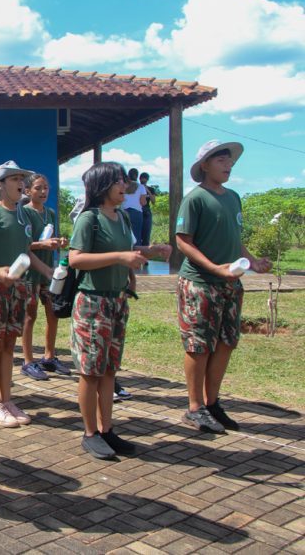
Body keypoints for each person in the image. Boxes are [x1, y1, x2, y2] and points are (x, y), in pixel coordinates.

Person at [68, 162, 170, 460]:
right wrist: (121, 256)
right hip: (92, 302)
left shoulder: (123, 217)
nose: (124, 186)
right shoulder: (89, 219)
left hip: (117, 301)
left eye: (124, 181)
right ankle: (90, 433)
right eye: (117, 181)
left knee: (109, 368)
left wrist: (151, 250)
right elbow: (76, 259)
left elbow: (129, 249)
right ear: (102, 186)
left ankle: (107, 429)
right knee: (90, 370)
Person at [175, 140, 271, 433]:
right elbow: (182, 241)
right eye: (221, 160)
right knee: (198, 346)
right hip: (200, 283)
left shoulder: (233, 198)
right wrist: (215, 268)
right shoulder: (195, 199)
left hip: (230, 284)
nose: (228, 165)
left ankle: (212, 402)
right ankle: (195, 407)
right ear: (205, 165)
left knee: (227, 342)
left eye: (230, 161)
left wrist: (251, 261)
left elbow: (233, 237)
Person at [0, 162, 53, 427]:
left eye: (22, 178)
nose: (20, 182)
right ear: (0, 184)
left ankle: (7, 399)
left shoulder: (24, 216)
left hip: (19, 287)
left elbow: (26, 251)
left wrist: (47, 271)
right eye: (14, 178)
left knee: (9, 343)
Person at [21, 173, 69, 379]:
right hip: (31, 272)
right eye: (38, 188)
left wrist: (59, 242)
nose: (43, 192)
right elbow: (21, 244)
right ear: (28, 191)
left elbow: (49, 238)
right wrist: (42, 245)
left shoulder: (50, 213)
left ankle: (49, 356)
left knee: (53, 312)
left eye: (46, 188)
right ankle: (28, 360)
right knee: (30, 315)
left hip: (49, 271)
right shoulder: (23, 213)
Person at [122, 168, 147, 246]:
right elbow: (143, 202)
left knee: (123, 234)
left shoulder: (123, 186)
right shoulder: (141, 187)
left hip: (123, 211)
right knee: (136, 236)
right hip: (136, 212)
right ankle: (136, 255)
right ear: (137, 176)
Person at [140, 172, 155, 247]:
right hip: (139, 211)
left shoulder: (151, 189)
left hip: (146, 211)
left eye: (145, 179)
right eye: (142, 178)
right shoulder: (137, 188)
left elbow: (153, 201)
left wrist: (147, 190)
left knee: (146, 233)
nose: (143, 180)